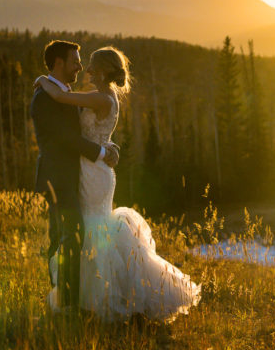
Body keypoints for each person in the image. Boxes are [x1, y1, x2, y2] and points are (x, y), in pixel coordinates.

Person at [35, 46, 201, 322]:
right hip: (95, 168)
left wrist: (42, 79)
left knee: (91, 227)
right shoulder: (105, 97)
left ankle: (97, 298)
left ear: (101, 71)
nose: (86, 70)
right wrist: (108, 146)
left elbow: (61, 97)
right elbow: (95, 131)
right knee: (92, 226)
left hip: (94, 171)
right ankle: (89, 296)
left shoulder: (100, 98)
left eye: (90, 65)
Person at [30, 40, 119, 313]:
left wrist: (108, 145)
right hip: (58, 176)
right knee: (69, 234)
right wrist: (101, 151)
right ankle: (66, 302)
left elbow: (86, 129)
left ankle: (65, 298)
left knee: (67, 235)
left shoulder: (64, 93)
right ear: (59, 63)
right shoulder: (45, 97)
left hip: (77, 175)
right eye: (75, 62)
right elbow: (64, 138)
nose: (80, 67)